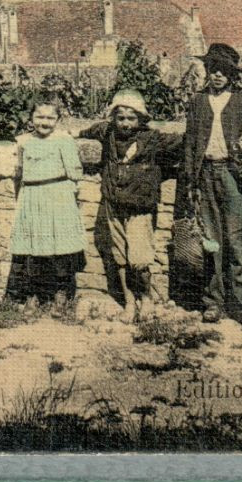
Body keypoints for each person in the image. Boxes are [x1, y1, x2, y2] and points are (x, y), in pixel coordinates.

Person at [179, 43, 242, 333]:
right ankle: (213, 302)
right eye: (213, 70)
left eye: (224, 71)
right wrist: (190, 180)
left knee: (240, 241)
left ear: (232, 74)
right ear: (207, 72)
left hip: (237, 176)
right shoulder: (198, 102)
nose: (218, 75)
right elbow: (189, 143)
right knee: (211, 241)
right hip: (205, 174)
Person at [79, 91, 181, 322]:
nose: (125, 123)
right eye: (121, 118)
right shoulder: (107, 133)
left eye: (131, 118)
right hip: (114, 204)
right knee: (120, 257)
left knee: (139, 257)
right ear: (113, 119)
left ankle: (146, 299)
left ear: (141, 119)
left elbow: (182, 142)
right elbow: (87, 131)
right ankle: (129, 302)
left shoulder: (152, 139)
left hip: (139, 207)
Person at [4, 100, 87, 308]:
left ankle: (61, 292)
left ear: (58, 120)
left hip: (58, 196)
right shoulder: (23, 141)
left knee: (60, 245)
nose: (45, 122)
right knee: (34, 246)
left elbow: (75, 173)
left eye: (50, 118)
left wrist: (69, 197)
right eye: (40, 117)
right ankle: (34, 292)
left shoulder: (64, 141)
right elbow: (21, 172)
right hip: (32, 196)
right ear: (31, 118)